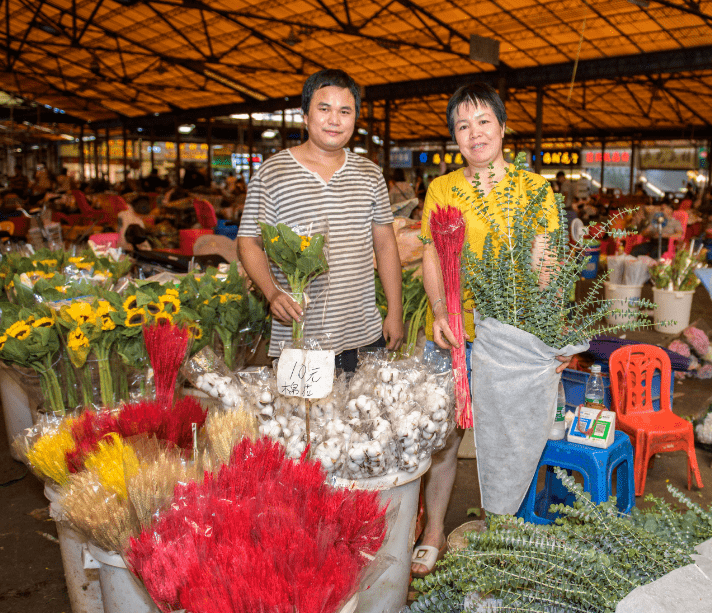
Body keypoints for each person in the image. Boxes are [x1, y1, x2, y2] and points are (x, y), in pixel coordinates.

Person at [413, 82, 567, 577]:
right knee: (445, 436)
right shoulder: (442, 189)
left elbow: (546, 264)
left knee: (512, 436)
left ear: (503, 127)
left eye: (483, 122)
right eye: (463, 125)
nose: (474, 133)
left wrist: (552, 334)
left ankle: (506, 532)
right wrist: (441, 312)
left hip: (513, 337)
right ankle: (434, 528)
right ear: (454, 136)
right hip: (457, 334)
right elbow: (433, 254)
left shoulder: (534, 190)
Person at [237, 68, 404, 371]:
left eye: (345, 111)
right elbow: (248, 240)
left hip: (363, 331)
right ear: (305, 115)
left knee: (361, 415)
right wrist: (272, 291)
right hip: (299, 334)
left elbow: (386, 247)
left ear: (355, 118)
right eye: (323, 109)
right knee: (302, 418)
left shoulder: (370, 174)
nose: (334, 120)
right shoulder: (273, 173)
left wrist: (395, 310)